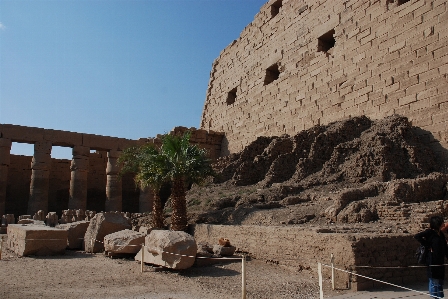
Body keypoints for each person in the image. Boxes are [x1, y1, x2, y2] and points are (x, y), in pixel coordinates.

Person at [415, 215, 448, 298]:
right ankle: (434, 297)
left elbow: (445, 248)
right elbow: (417, 236)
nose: (444, 223)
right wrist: (428, 245)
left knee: (440, 282)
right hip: (433, 261)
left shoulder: (441, 235)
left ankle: (440, 297)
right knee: (434, 282)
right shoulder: (430, 233)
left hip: (440, 262)